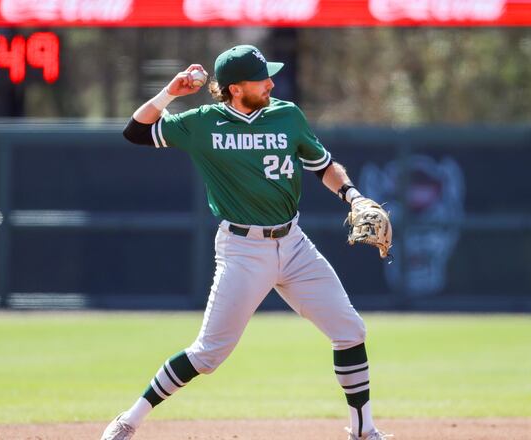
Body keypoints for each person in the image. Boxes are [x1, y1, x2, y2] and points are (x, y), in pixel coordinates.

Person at [101, 44, 392, 440]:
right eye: (261, 78)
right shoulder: (202, 123)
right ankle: (130, 419)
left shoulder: (287, 115)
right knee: (207, 355)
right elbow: (135, 131)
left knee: (350, 331)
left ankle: (364, 430)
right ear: (236, 88)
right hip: (242, 250)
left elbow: (323, 166)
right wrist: (170, 93)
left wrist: (353, 196)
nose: (271, 82)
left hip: (294, 244)